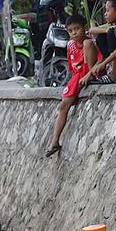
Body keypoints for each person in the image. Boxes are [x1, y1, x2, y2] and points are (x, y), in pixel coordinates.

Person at [44, 14, 97, 157]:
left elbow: (99, 60)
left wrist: (90, 73)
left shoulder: (89, 42)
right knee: (63, 106)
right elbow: (72, 67)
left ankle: (55, 141)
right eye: (71, 30)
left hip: (89, 72)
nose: (74, 33)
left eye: (77, 29)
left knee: (64, 104)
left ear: (84, 28)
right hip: (77, 76)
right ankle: (55, 141)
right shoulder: (70, 45)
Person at [81, 0, 116, 86]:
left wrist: (111, 30)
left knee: (111, 33)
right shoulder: (110, 26)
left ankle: (115, 72)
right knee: (102, 36)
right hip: (112, 58)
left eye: (108, 11)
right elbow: (91, 30)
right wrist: (107, 30)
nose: (105, 14)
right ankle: (105, 71)